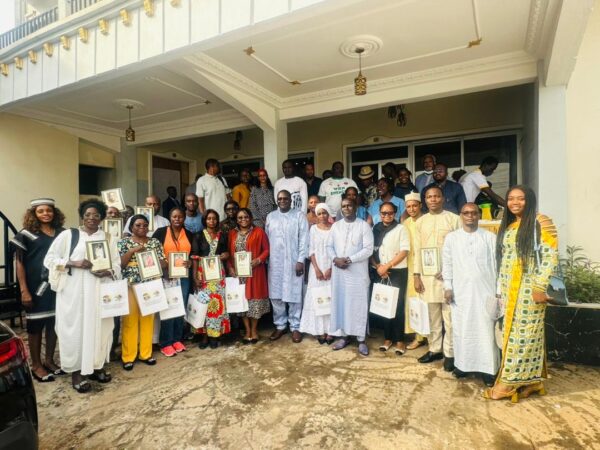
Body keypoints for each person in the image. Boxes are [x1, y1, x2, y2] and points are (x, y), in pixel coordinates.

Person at [484, 186, 558, 402]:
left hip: (529, 291)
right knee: (526, 336)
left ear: (530, 200)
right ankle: (533, 381)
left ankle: (507, 384)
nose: (515, 203)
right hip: (510, 291)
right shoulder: (509, 225)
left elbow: (550, 256)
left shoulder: (541, 222)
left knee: (522, 336)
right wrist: (500, 289)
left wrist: (539, 287)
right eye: (511, 199)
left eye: (520, 199)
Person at [44, 200, 121, 393]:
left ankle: (96, 366)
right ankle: (77, 372)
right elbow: (49, 260)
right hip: (73, 294)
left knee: (101, 329)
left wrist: (108, 271)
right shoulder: (68, 235)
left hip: (100, 291)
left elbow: (117, 264)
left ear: (102, 217)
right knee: (76, 330)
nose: (91, 218)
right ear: (82, 216)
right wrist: (73, 262)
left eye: (96, 215)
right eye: (87, 215)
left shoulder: (109, 238)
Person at [442, 203, 500, 386]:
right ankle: (463, 366)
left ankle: (488, 370)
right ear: (461, 215)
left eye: (474, 213)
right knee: (462, 329)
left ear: (479, 215)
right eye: (466, 213)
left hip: (486, 293)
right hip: (461, 293)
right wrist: (447, 287)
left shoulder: (490, 237)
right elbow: (447, 264)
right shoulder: (452, 238)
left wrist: (499, 291)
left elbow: (498, 266)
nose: (470, 216)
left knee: (486, 330)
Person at [11, 198, 65, 382]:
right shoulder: (26, 234)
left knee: (54, 324)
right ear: (34, 213)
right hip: (35, 288)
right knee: (35, 326)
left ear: (54, 212)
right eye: (41, 211)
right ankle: (36, 365)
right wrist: (24, 290)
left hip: (57, 286)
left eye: (49, 210)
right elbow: (19, 263)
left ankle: (49, 360)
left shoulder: (62, 233)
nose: (45, 214)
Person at [413, 186, 460, 371]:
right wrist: (416, 275)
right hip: (427, 277)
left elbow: (460, 248)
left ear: (443, 198)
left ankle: (450, 353)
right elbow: (417, 251)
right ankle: (435, 349)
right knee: (432, 317)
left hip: (449, 278)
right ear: (425, 200)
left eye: (436, 196)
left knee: (450, 318)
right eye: (429, 197)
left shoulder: (454, 219)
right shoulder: (420, 222)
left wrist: (450, 269)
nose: (433, 199)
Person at [118, 214, 166, 371]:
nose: (142, 228)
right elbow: (120, 264)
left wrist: (151, 258)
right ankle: (128, 356)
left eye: (145, 225)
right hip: (130, 285)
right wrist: (133, 250)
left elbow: (164, 263)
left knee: (148, 319)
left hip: (150, 285)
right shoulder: (123, 242)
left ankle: (146, 354)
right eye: (138, 225)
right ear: (131, 227)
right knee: (130, 320)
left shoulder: (154, 242)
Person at [327, 197, 374, 356]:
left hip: (357, 273)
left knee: (358, 304)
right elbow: (328, 246)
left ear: (355, 207)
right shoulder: (336, 226)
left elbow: (368, 249)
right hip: (339, 273)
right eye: (344, 206)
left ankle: (361, 339)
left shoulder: (363, 225)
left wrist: (349, 259)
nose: (346, 208)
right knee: (342, 302)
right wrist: (335, 259)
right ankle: (344, 336)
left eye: (349, 206)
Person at [265, 190, 309, 343]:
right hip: (275, 262)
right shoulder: (271, 217)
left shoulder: (299, 216)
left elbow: (304, 239)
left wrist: (300, 260)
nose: (282, 201)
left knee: (294, 294)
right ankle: (280, 325)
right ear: (276, 201)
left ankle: (295, 326)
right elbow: (267, 239)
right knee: (276, 295)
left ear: (291, 200)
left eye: (285, 198)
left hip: (293, 262)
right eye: (280, 198)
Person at [153, 207, 193, 357]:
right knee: (168, 308)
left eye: (180, 217)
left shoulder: (189, 234)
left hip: (183, 276)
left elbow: (193, 254)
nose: (177, 219)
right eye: (174, 216)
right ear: (170, 218)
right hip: (166, 276)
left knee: (180, 307)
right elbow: (153, 252)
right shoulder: (161, 232)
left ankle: (177, 339)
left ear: (184, 218)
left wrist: (190, 262)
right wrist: (164, 269)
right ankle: (166, 342)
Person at [372, 201, 410, 355]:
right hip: (379, 271)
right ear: (379, 214)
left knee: (397, 306)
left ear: (395, 213)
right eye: (383, 213)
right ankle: (387, 338)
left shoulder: (401, 229)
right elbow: (371, 251)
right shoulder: (376, 228)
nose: (387, 215)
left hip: (397, 271)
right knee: (383, 304)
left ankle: (400, 340)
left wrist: (387, 266)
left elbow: (404, 251)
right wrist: (378, 267)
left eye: (390, 213)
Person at [227, 208, 270, 344]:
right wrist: (230, 268)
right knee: (242, 301)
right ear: (236, 220)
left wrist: (259, 259)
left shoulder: (259, 232)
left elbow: (267, 250)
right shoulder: (232, 233)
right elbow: (228, 253)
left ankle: (254, 330)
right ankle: (247, 331)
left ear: (251, 218)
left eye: (246, 217)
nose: (243, 219)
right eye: (240, 217)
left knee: (254, 302)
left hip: (255, 272)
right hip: (239, 275)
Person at [191, 209, 231, 348]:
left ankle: (215, 335)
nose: (212, 221)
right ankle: (204, 336)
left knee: (217, 305)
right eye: (209, 218)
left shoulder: (223, 236)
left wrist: (226, 255)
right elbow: (194, 257)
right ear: (205, 220)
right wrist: (195, 276)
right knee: (204, 304)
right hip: (203, 274)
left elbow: (227, 252)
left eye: (214, 218)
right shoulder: (198, 236)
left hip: (218, 275)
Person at [299, 203, 334, 344]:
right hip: (316, 269)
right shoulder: (313, 229)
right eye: (319, 213)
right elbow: (311, 250)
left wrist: (331, 268)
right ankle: (319, 330)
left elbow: (337, 250)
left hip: (332, 268)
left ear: (328, 214)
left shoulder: (334, 228)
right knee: (318, 297)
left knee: (331, 298)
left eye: (324, 213)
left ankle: (330, 330)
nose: (322, 216)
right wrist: (317, 269)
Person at [401, 193, 426, 351]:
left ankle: (430, 336)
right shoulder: (405, 223)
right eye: (408, 206)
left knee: (428, 301)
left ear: (420, 205)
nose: (412, 209)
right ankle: (418, 336)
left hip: (427, 266)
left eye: (414, 205)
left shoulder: (427, 220)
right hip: (411, 266)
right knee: (414, 300)